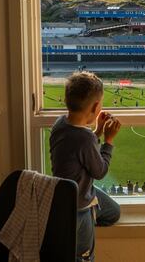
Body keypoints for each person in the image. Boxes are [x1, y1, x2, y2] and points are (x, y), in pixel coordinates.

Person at [49, 72, 122, 262]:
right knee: (83, 256)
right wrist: (109, 141)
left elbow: (79, 149)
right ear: (96, 106)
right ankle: (83, 225)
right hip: (78, 206)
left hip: (68, 192)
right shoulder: (85, 139)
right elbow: (100, 172)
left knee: (113, 212)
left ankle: (86, 220)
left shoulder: (60, 123)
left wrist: (97, 130)